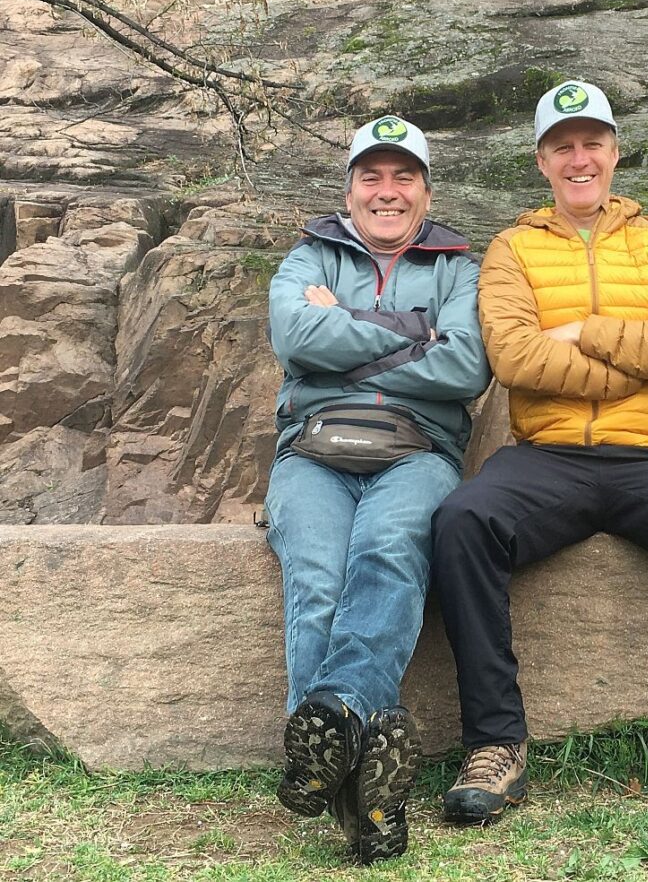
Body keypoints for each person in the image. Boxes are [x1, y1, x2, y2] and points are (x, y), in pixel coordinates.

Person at [431, 81, 648, 824]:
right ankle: (495, 744)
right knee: (462, 520)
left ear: (615, 152)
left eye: (592, 143)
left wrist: (584, 329)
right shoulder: (512, 249)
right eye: (563, 146)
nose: (579, 158)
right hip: (545, 457)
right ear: (542, 161)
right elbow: (517, 358)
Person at [264, 114, 490, 862]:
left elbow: (466, 368)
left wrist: (349, 332)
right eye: (372, 176)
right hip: (314, 449)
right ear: (350, 187)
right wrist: (414, 334)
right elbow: (296, 338)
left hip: (417, 449)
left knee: (390, 548)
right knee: (319, 577)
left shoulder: (459, 266)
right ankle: (364, 802)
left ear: (425, 192)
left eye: (403, 177)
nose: (386, 191)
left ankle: (328, 739)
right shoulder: (309, 255)